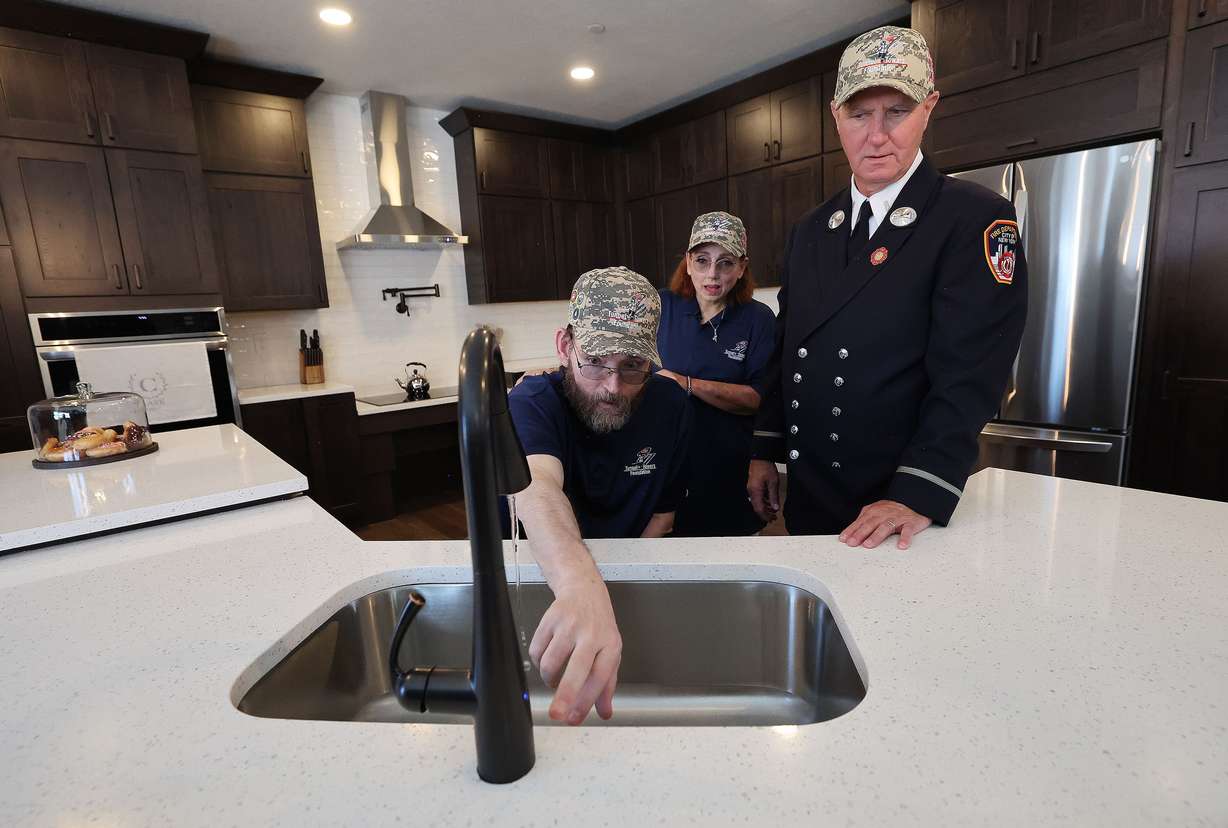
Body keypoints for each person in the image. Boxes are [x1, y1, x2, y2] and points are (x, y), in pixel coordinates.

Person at [746, 25, 1028, 550]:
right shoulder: (811, 228)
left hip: (898, 506)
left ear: (929, 108)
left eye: (896, 111)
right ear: (835, 115)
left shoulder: (972, 218)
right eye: (859, 114)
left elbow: (971, 374)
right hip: (809, 494)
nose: (876, 135)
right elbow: (788, 346)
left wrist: (919, 491)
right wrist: (767, 446)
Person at [507, 266, 692, 725]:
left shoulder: (670, 405)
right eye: (595, 362)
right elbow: (537, 487)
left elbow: (662, 517)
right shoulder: (532, 402)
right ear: (565, 346)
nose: (613, 386)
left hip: (619, 583)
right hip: (546, 580)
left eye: (632, 366)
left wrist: (614, 593)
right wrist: (578, 584)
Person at [655, 211, 776, 536]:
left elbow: (758, 398)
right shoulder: (660, 308)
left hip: (729, 464)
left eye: (725, 262)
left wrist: (685, 383)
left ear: (741, 267)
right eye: (703, 260)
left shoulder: (758, 320)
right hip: (665, 464)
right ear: (688, 262)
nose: (713, 273)